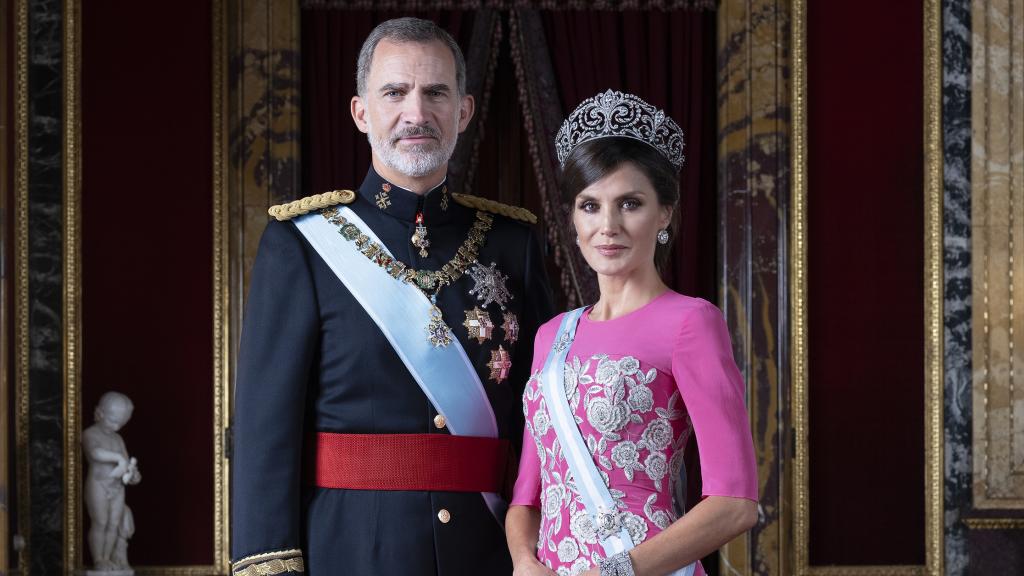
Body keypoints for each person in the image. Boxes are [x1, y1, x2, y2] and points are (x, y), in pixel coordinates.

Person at [230, 17, 554, 576]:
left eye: (435, 93)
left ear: (464, 111)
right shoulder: (301, 243)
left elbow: (545, 419)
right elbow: (265, 430)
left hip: (489, 550)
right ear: (361, 112)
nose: (416, 113)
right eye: (395, 92)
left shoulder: (513, 243)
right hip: (349, 549)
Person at [505, 90, 758, 576]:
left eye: (630, 203)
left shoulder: (690, 323)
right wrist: (522, 560)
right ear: (573, 219)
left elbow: (735, 501)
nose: (608, 226)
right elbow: (527, 497)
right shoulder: (550, 336)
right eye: (590, 205)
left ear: (664, 214)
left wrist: (615, 573)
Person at [83, 391, 141, 571]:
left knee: (113, 524)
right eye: (113, 420)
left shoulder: (118, 438)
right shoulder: (90, 434)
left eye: (121, 423)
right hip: (98, 484)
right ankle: (99, 559)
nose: (116, 426)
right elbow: (95, 453)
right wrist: (117, 457)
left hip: (117, 488)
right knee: (100, 521)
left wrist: (133, 475)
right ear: (99, 413)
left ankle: (108, 558)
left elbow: (126, 461)